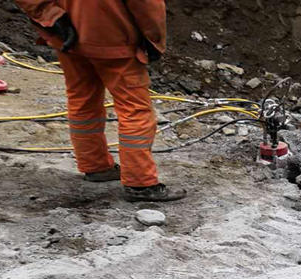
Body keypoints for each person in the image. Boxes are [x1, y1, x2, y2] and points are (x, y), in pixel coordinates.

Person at [14, 0, 185, 201]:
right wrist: (154, 39)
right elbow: (147, 4)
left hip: (68, 36)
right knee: (135, 110)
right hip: (115, 39)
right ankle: (140, 183)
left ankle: (96, 167)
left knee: (82, 100)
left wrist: (50, 15)